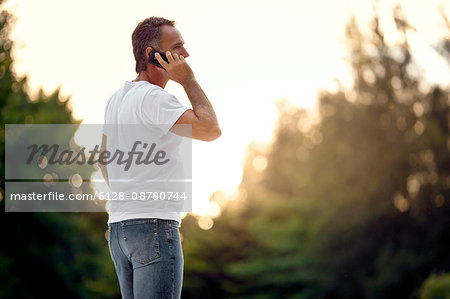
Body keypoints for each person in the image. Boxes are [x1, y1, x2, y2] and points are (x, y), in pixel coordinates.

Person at [99, 16, 221, 299]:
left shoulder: (116, 99)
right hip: (153, 226)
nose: (186, 54)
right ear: (150, 55)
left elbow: (103, 160)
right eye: (177, 46)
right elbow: (211, 129)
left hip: (119, 229)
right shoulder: (155, 98)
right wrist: (189, 80)